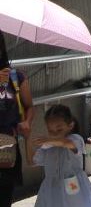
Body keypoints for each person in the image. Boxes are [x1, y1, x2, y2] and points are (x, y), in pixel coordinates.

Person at [29, 104, 91, 206]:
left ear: (70, 126)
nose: (54, 134)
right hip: (52, 191)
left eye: (59, 130)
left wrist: (49, 140)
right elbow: (32, 161)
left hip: (74, 189)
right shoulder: (47, 147)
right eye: (50, 130)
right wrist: (27, 137)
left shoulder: (76, 139)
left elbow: (66, 143)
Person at [0, 32, 33, 207]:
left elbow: (29, 106)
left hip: (6, 146)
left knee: (5, 196)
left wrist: (27, 122)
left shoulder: (15, 77)